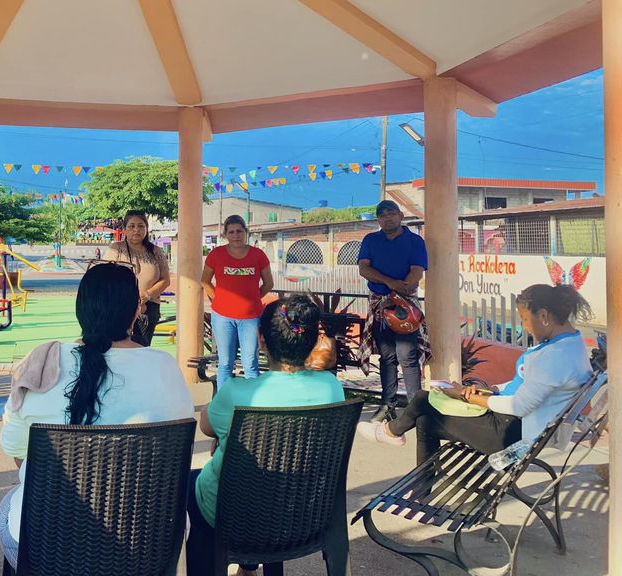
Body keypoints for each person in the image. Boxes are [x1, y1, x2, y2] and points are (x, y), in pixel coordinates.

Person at [0, 262, 194, 569]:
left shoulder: (42, 364)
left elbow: (19, 454)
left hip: (50, 549)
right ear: (135, 312)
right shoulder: (165, 367)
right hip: (150, 546)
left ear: (81, 309)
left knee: (8, 507)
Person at [186, 294, 346, 576]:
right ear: (312, 341)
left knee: (192, 484)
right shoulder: (331, 387)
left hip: (233, 516)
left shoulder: (236, 393)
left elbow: (207, 427)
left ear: (261, 339)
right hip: (303, 513)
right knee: (266, 480)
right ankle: (250, 567)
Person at [358, 284, 594, 466]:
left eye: (524, 319)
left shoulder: (555, 356)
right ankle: (409, 470)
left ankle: (392, 433)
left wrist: (467, 396)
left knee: (423, 404)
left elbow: (519, 406)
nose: (524, 326)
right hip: (516, 423)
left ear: (543, 316)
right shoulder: (570, 344)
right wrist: (492, 390)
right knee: (425, 410)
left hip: (508, 433)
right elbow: (523, 383)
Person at [356, 200, 430, 422]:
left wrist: (400, 290)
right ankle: (388, 405)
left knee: (407, 356)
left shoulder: (415, 241)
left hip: (405, 304)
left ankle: (415, 408)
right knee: (387, 356)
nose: (387, 218)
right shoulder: (370, 240)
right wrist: (390, 283)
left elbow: (417, 271)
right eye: (382, 215)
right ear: (378, 220)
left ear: (400, 215)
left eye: (391, 213)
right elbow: (364, 268)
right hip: (380, 304)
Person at [201, 215, 274, 389]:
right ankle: (224, 400)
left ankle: (251, 401)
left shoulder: (258, 255)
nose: (236, 235)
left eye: (239, 231)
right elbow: (205, 281)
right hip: (222, 318)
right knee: (225, 363)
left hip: (250, 318)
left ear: (245, 232)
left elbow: (268, 283)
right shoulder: (216, 254)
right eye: (231, 232)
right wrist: (217, 298)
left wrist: (253, 297)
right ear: (225, 234)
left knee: (250, 364)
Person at [103, 210, 170, 346]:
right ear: (124, 229)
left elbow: (165, 280)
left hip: (148, 308)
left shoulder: (156, 251)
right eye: (131, 226)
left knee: (142, 347)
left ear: (146, 228)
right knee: (118, 345)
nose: (136, 230)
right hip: (119, 306)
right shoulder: (116, 248)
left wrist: (148, 294)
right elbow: (105, 277)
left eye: (141, 226)